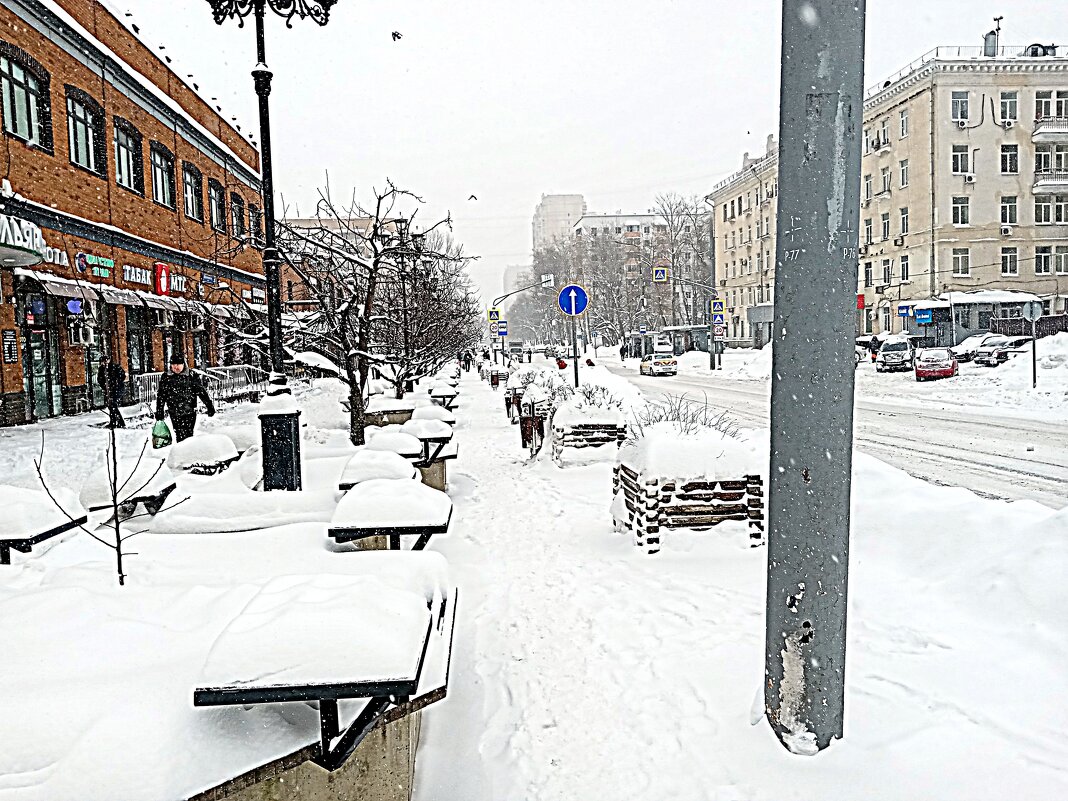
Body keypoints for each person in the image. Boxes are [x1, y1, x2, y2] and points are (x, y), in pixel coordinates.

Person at [155, 354, 215, 442]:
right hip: (174, 412)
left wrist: (209, 406)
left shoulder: (191, 375)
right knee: (179, 435)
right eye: (173, 365)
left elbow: (201, 392)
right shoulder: (166, 377)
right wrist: (159, 411)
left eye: (178, 364)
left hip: (189, 411)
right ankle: (181, 453)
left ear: (183, 364)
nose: (176, 367)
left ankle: (189, 453)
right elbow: (161, 395)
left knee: (189, 435)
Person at [96, 355, 126, 429]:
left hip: (117, 389)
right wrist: (105, 387)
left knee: (113, 405)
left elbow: (122, 376)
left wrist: (115, 382)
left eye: (106, 361)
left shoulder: (115, 367)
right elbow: (100, 379)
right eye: (103, 362)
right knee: (110, 405)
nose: (104, 363)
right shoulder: (102, 369)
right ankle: (113, 422)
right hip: (109, 390)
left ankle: (120, 422)